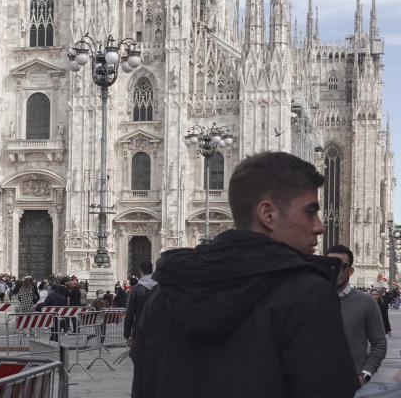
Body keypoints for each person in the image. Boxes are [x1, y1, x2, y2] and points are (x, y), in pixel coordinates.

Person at [131, 151, 358, 398]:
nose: (319, 226)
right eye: (310, 212)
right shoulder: (307, 293)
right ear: (268, 215)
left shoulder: (164, 293)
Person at [326, 244, 386, 386]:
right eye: (331, 265)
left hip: (350, 383)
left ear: (351, 271)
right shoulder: (312, 298)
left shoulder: (366, 302)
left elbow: (379, 344)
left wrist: (365, 374)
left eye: (342, 266)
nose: (336, 270)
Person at [123, 260, 157, 358]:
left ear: (140, 271)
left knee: (140, 359)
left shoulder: (135, 290)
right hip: (157, 329)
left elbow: (129, 314)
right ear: (152, 270)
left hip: (140, 329)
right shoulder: (160, 287)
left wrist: (127, 334)